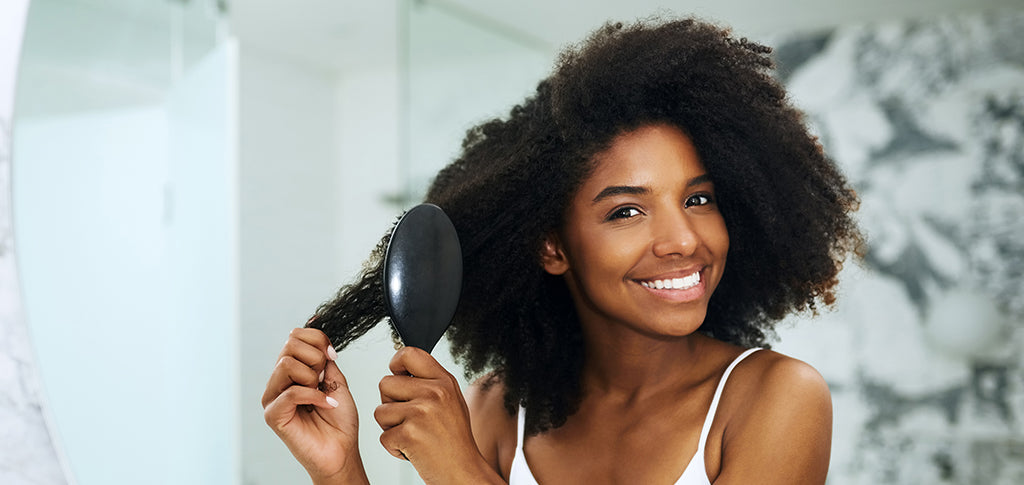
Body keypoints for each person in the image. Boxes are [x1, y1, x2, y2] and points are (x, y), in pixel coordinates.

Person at [262, 16, 862, 485]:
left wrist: (460, 469)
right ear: (553, 247)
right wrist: (338, 469)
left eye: (699, 199)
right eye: (626, 211)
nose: (684, 239)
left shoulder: (773, 398)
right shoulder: (500, 410)